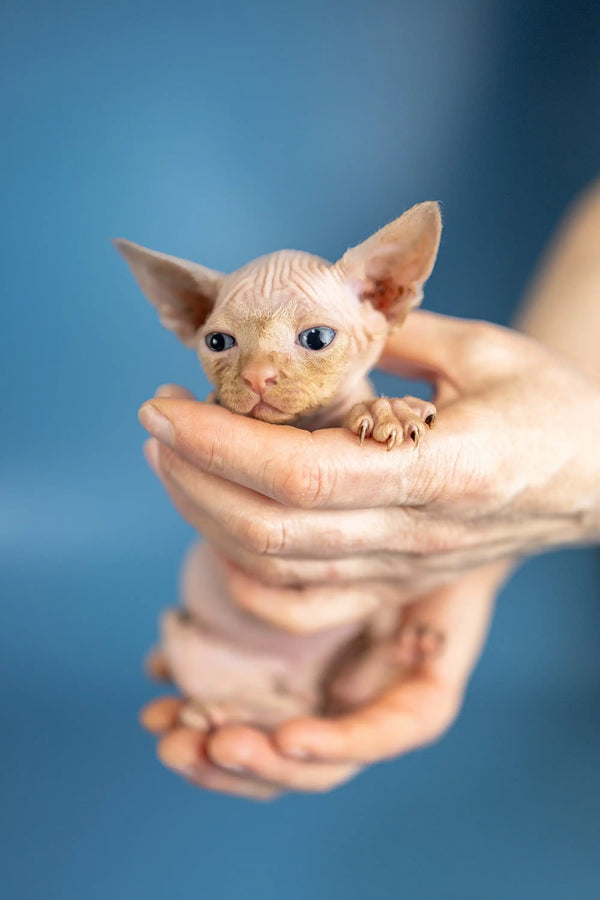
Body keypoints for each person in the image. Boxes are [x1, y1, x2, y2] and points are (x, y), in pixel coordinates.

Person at [137, 179, 600, 800]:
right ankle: (249, 691)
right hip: (234, 643)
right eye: (221, 341)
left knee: (365, 655)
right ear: (189, 315)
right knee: (217, 660)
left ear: (382, 298)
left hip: (342, 634)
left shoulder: (375, 410)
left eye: (315, 338)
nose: (256, 374)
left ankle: (348, 672)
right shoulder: (244, 387)